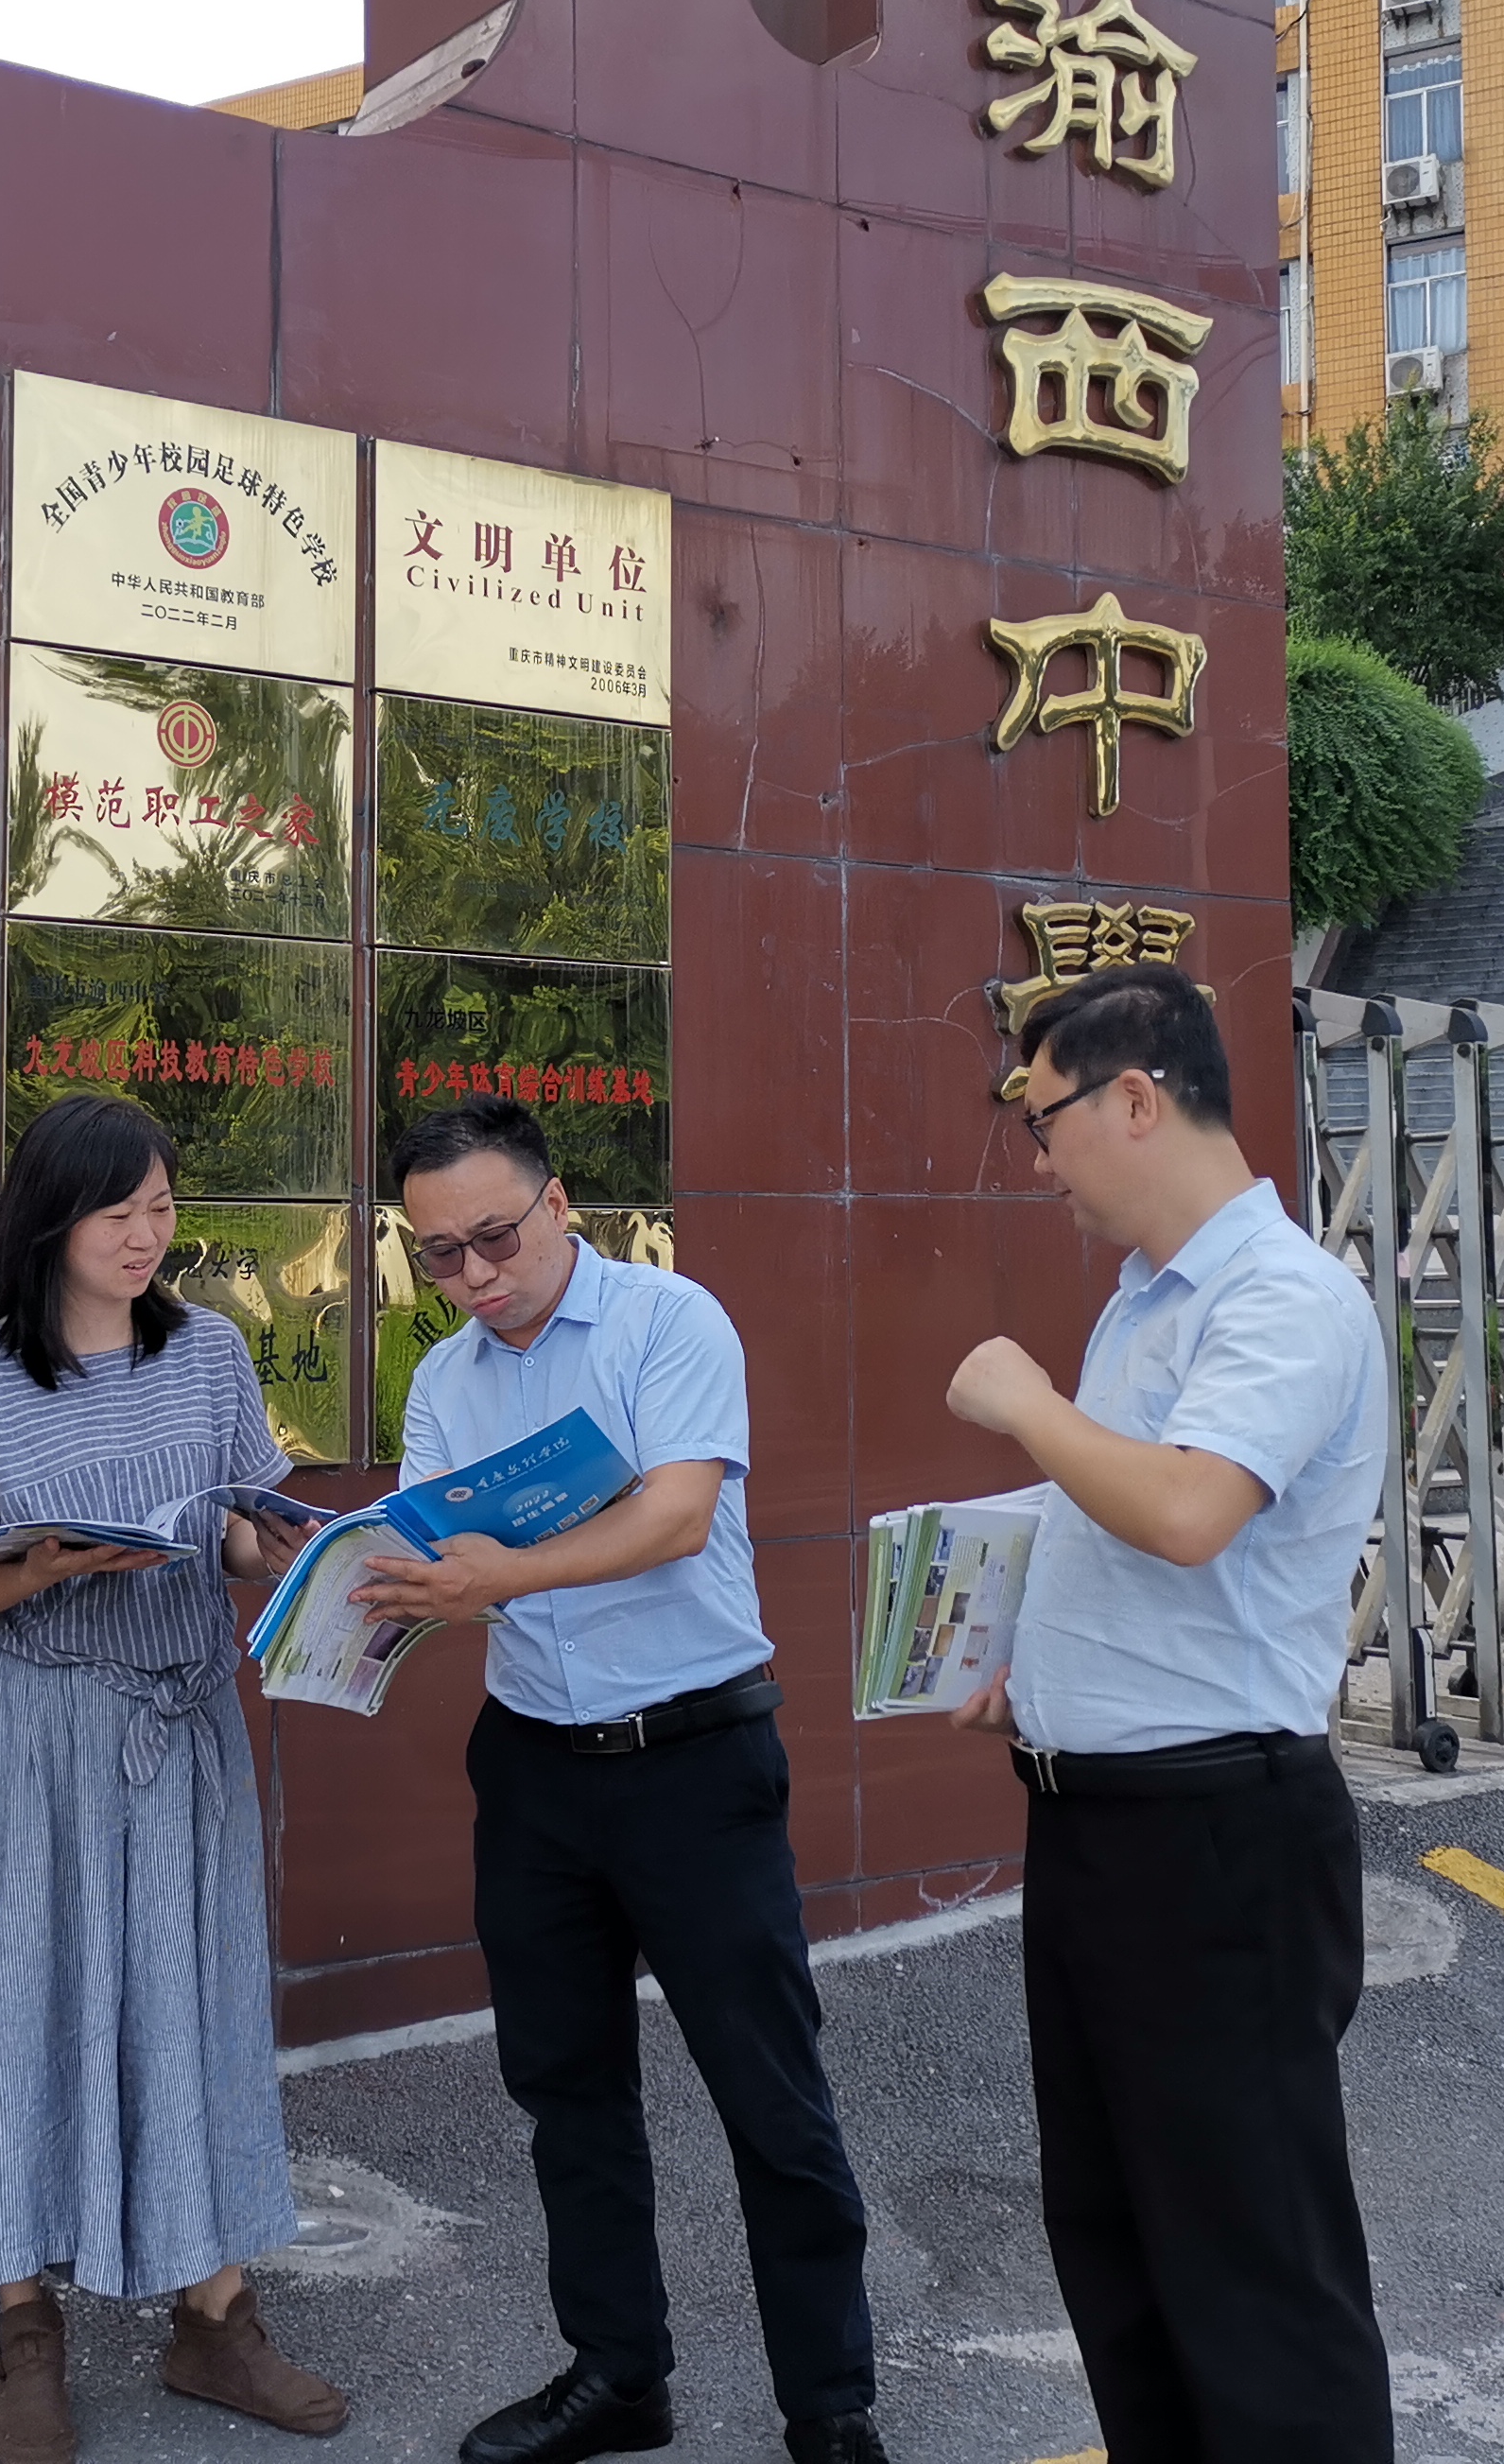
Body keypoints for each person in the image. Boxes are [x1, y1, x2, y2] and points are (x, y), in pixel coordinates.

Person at [363, 1095, 883, 2464]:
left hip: (693, 1760)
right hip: (535, 1765)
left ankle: (830, 2407)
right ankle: (617, 2373)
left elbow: (677, 1513)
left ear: (557, 1205)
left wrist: (505, 1570)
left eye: (494, 1238)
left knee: (769, 2094)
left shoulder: (669, 1322)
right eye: (439, 1255)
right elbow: (435, 1558)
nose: (474, 1276)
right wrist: (366, 1588)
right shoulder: (445, 1383)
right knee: (566, 2090)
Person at [940, 964, 1396, 2464]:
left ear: (1136, 1099)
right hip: (1098, 1827)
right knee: (1121, 2241)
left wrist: (1025, 1403)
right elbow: (1133, 1533)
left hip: (1220, 1839)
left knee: (1252, 2261)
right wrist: (1038, 1664)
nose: (1038, 1159)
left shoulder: (1283, 1298)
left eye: (1045, 1119)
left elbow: (1192, 1512)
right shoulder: (1146, 1300)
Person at [0, 1093, 350, 2464]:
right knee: (21, 2006)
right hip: (39, 1735)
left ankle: (216, 2318)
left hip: (184, 1720)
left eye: (161, 1208)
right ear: (52, 1221)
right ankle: (24, 2330)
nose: (148, 1235)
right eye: (120, 1213)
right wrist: (42, 1564)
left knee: (195, 2001)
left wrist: (295, 1551)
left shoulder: (207, 1349)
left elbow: (237, 1529)